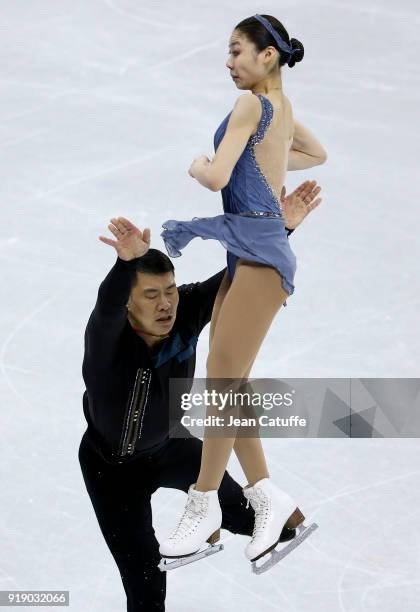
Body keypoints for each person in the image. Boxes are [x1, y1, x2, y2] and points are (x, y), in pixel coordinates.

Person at [78, 181, 321, 610]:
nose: (166, 304)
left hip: (172, 447)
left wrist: (279, 231)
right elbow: (106, 302)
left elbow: (239, 280)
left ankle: (284, 516)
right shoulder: (107, 339)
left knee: (247, 516)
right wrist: (125, 264)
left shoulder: (186, 310)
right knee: (144, 581)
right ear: (129, 305)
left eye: (169, 291)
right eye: (150, 295)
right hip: (110, 471)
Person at [159, 14, 327, 565]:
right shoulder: (280, 108)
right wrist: (267, 167)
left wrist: (198, 165)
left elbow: (215, 177)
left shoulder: (252, 105)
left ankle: (204, 502)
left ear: (268, 56)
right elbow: (314, 155)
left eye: (236, 51)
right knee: (228, 380)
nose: (229, 62)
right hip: (251, 250)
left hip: (259, 255)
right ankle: (269, 500)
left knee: (222, 380)